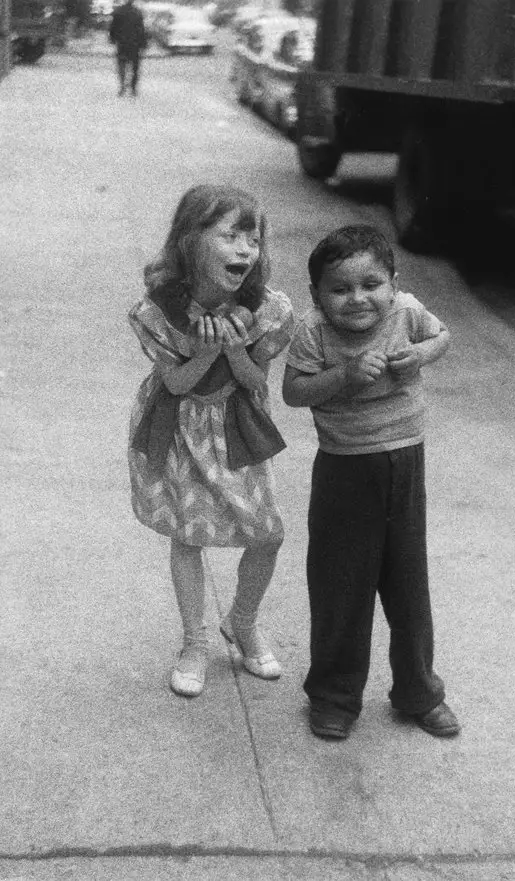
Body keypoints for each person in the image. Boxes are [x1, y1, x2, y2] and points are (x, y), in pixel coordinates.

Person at [282, 224, 460, 740]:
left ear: (393, 282)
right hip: (344, 469)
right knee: (341, 586)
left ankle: (419, 692)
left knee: (408, 586)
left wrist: (421, 356)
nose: (358, 298)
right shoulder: (314, 331)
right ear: (317, 294)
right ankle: (335, 696)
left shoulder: (406, 310)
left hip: (405, 461)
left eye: (371, 284)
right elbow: (293, 391)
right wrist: (344, 375)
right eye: (340, 289)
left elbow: (442, 335)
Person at [128, 184, 294, 698]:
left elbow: (255, 381)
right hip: (179, 427)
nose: (247, 248)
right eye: (231, 236)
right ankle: (194, 642)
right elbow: (176, 383)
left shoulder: (267, 309)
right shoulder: (157, 311)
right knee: (188, 534)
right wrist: (202, 352)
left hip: (236, 426)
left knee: (267, 533)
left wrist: (235, 346)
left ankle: (241, 621)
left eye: (254, 238)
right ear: (190, 241)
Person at [109, 0, 147, 97]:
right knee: (135, 67)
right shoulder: (137, 12)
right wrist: (143, 43)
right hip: (135, 44)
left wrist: (112, 39)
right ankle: (133, 88)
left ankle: (122, 86)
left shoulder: (118, 12)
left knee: (122, 65)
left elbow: (113, 27)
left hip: (122, 43)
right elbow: (141, 29)